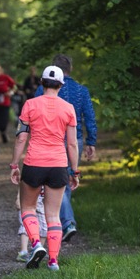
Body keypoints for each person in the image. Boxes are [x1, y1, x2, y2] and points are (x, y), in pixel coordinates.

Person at [10, 66, 80, 272]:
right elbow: (72, 144)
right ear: (61, 85)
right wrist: (75, 171)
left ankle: (36, 244)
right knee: (53, 215)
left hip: (34, 163)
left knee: (28, 208)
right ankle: (53, 261)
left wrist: (14, 164)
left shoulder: (30, 105)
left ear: (41, 82)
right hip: (58, 165)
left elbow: (21, 138)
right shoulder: (68, 108)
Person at [34, 54, 97, 241]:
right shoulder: (82, 90)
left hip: (51, 140)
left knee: (55, 182)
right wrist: (91, 141)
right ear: (71, 69)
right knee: (67, 179)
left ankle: (66, 222)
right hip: (74, 140)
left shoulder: (41, 90)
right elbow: (89, 116)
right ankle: (63, 222)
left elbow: (35, 114)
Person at [14, 188, 46, 262]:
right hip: (25, 203)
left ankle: (38, 252)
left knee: (44, 227)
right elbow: (22, 184)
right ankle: (23, 252)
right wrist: (18, 198)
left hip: (40, 204)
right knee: (25, 226)